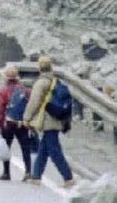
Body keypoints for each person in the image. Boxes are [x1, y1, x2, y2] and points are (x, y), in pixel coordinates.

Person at [27, 55, 76, 187]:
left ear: (39, 68)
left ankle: (68, 177)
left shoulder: (41, 83)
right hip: (56, 118)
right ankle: (36, 176)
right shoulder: (55, 81)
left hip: (47, 120)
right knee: (44, 148)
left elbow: (34, 102)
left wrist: (27, 118)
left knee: (54, 151)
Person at [0, 65, 37, 181]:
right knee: (25, 147)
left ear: (6, 78)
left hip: (8, 123)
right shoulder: (25, 91)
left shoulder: (3, 91)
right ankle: (28, 172)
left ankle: (6, 173)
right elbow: (31, 107)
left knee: (6, 147)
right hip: (22, 123)